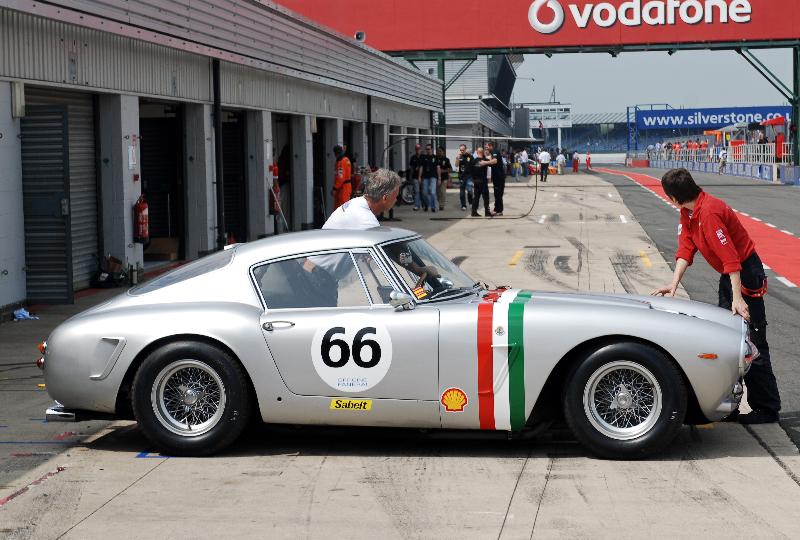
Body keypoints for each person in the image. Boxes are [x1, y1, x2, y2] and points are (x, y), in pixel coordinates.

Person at [651, 169, 781, 425]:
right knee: (729, 342)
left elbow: (732, 258)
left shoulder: (709, 213)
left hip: (744, 273)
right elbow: (686, 247)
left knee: (751, 343)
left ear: (674, 198)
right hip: (730, 274)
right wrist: (673, 284)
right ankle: (729, 405)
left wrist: (738, 298)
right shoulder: (689, 211)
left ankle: (767, 408)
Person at [323, 168, 401, 230]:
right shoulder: (368, 223)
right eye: (395, 197)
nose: (396, 200)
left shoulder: (356, 202)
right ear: (385, 198)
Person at [470, 147, 491, 217]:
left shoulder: (473, 161)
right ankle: (487, 212)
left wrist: (473, 179)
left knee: (476, 197)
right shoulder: (485, 160)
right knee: (486, 197)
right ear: (482, 152)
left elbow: (470, 171)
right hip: (483, 181)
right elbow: (492, 163)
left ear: (477, 152)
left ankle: (473, 211)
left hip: (476, 181)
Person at [485, 142, 505, 216]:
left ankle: (498, 210)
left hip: (499, 177)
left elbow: (494, 161)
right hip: (497, 177)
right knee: (497, 194)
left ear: (491, 146)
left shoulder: (495, 152)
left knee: (498, 194)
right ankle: (497, 209)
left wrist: (484, 163)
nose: (486, 149)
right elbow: (492, 161)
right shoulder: (493, 153)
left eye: (487, 147)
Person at [418, 144, 440, 212]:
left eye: (429, 149)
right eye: (427, 149)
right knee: (424, 193)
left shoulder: (435, 157)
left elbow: (438, 168)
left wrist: (439, 178)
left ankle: (433, 207)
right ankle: (427, 204)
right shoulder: (423, 157)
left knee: (433, 192)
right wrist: (419, 176)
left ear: (432, 149)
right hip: (425, 177)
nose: (428, 150)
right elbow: (421, 167)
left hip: (433, 177)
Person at [331, 145, 352, 211]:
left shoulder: (340, 163)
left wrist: (335, 188)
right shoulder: (347, 159)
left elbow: (340, 178)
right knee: (345, 207)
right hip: (347, 187)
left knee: (341, 208)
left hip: (342, 189)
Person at [455, 143, 474, 211]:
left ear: (465, 149)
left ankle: (471, 203)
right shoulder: (459, 157)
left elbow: (473, 166)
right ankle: (463, 205)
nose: (462, 151)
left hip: (469, 176)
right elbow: (456, 165)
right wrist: (457, 158)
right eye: (461, 150)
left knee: (470, 190)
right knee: (462, 192)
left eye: (463, 150)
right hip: (461, 176)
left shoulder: (470, 156)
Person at [436, 146, 452, 211]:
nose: (438, 152)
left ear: (443, 152)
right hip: (436, 178)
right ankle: (439, 202)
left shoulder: (446, 159)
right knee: (437, 193)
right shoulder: (435, 159)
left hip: (444, 178)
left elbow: (450, 169)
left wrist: (444, 171)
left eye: (440, 151)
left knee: (442, 192)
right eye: (438, 151)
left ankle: (441, 205)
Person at [409, 144, 422, 211]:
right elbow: (411, 168)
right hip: (415, 177)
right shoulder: (413, 158)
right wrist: (410, 176)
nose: (418, 150)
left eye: (419, 149)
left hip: (423, 177)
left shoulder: (423, 157)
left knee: (423, 192)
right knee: (416, 191)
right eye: (416, 149)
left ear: (421, 149)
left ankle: (423, 204)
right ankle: (417, 205)